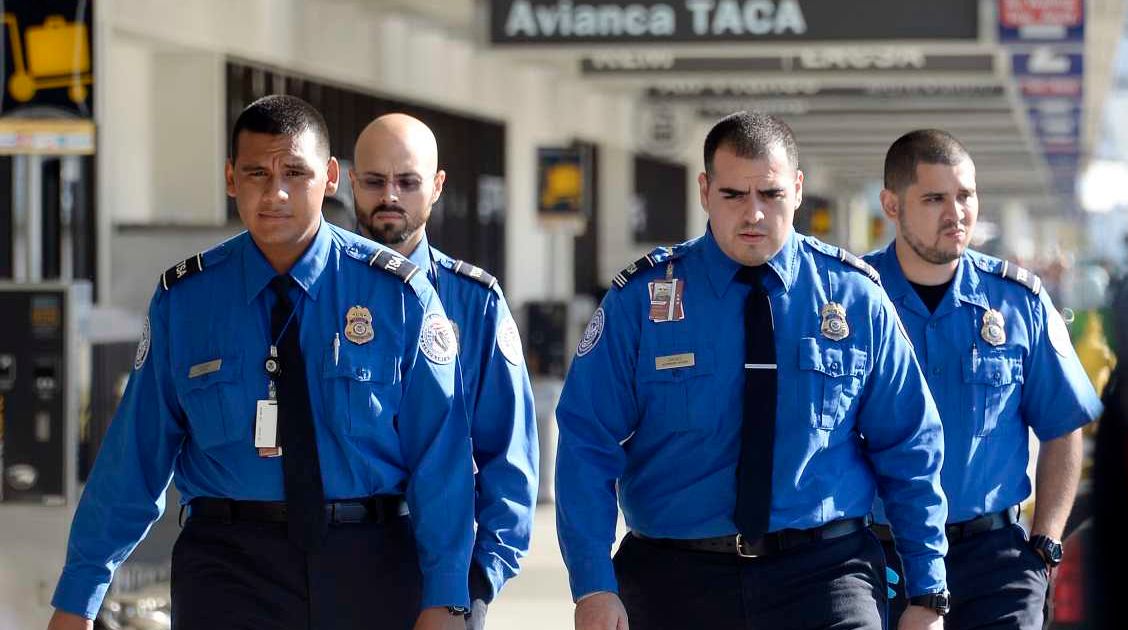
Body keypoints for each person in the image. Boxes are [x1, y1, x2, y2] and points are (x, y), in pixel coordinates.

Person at [46, 95, 475, 630]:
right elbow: (134, 457)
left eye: (296, 172)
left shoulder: (399, 296)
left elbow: (442, 460)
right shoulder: (187, 300)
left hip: (370, 561)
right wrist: (79, 595)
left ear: (331, 177)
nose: (275, 192)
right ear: (231, 179)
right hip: (229, 568)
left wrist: (447, 597)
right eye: (256, 172)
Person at [555, 111, 951, 630]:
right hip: (675, 576)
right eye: (734, 196)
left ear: (798, 189)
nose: (754, 214)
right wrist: (593, 586)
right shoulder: (643, 301)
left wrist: (928, 591)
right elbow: (587, 441)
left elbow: (910, 445)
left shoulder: (854, 298)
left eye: (770, 194)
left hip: (825, 576)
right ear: (704, 190)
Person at [864, 129, 1102, 630]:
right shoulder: (852, 301)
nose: (956, 213)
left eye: (965, 195)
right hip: (880, 558)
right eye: (934, 198)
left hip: (995, 559)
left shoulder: (1019, 302)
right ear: (891, 204)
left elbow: (1062, 425)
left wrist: (1045, 544)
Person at [349, 113, 539, 629]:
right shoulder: (316, 292)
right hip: (333, 570)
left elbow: (510, 458)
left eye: (408, 182)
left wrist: (476, 586)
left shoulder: (475, 303)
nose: (390, 195)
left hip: (447, 575)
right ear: (349, 182)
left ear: (436, 188)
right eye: (374, 181)